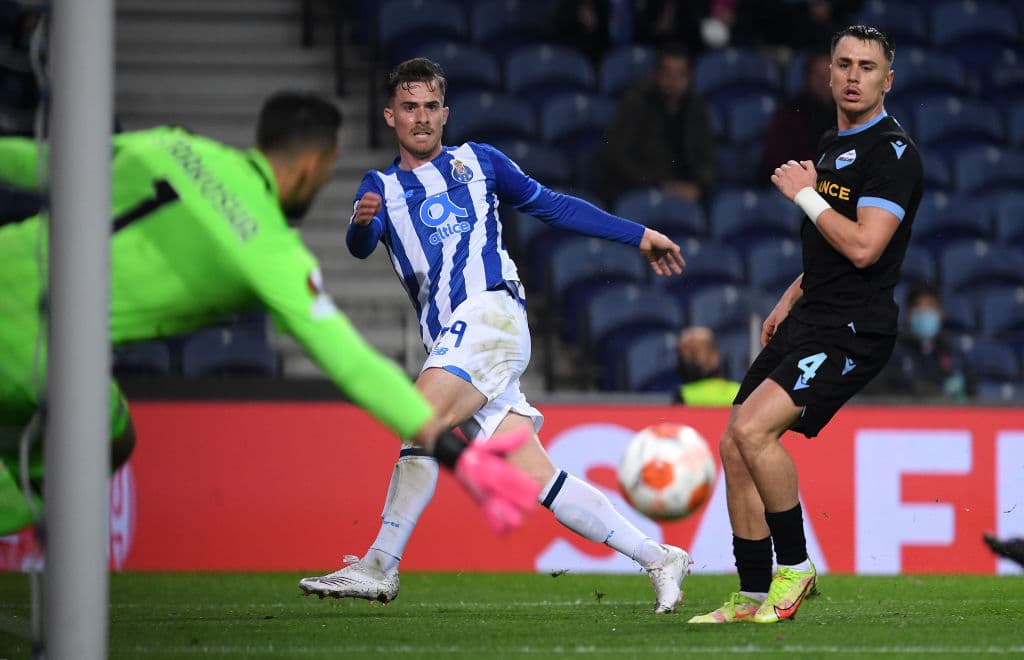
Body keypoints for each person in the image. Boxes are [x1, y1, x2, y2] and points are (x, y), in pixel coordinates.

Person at [0, 91, 538, 539]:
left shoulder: (171, 144)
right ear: (311, 166)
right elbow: (352, 363)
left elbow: (33, 163)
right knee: (109, 439)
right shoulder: (271, 252)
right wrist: (456, 454)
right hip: (35, 348)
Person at [298, 58, 694, 613]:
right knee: (540, 478)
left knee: (418, 416)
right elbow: (361, 246)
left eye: (431, 106)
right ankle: (658, 556)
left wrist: (639, 235)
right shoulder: (381, 188)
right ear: (390, 116)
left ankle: (380, 565)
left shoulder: (479, 162)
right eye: (409, 107)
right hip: (456, 342)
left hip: (491, 314)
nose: (421, 117)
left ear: (445, 113)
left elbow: (553, 206)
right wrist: (361, 225)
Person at [687, 25, 923, 624]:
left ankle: (795, 567)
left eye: (867, 67)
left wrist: (804, 196)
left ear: (887, 80)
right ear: (828, 73)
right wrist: (790, 295)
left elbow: (866, 248)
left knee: (756, 431)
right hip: (814, 312)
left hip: (853, 328)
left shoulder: (892, 155)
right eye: (843, 63)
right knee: (734, 442)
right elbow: (829, 249)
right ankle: (749, 594)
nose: (852, 75)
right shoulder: (828, 145)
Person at [599, 42, 718, 205]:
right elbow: (617, 155)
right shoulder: (637, 103)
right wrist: (660, 184)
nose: (673, 81)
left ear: (689, 77)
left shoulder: (696, 107)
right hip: (645, 189)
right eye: (668, 74)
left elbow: (708, 157)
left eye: (680, 75)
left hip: (689, 192)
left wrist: (699, 186)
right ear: (655, 74)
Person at [870, 281, 974, 399]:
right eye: (918, 306)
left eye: (930, 306)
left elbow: (973, 394)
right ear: (908, 314)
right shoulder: (891, 352)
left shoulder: (953, 352)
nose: (924, 312)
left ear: (941, 313)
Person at [759, 51, 835, 184]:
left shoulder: (850, 113)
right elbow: (778, 164)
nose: (824, 81)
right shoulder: (789, 114)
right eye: (818, 75)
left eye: (829, 75)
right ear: (807, 78)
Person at [674, 326, 742, 406]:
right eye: (682, 356)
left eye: (694, 354)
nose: (686, 360)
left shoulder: (683, 395)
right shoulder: (740, 391)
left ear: (715, 355)